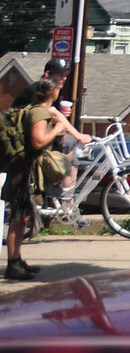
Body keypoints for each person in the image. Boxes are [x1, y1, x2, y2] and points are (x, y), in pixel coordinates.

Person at [4, 79, 88, 281]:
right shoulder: (39, 113)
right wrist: (57, 131)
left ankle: (17, 259)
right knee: (18, 219)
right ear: (53, 93)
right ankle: (13, 265)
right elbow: (38, 141)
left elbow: (55, 116)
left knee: (22, 217)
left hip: (22, 169)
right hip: (22, 172)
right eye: (58, 90)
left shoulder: (38, 109)